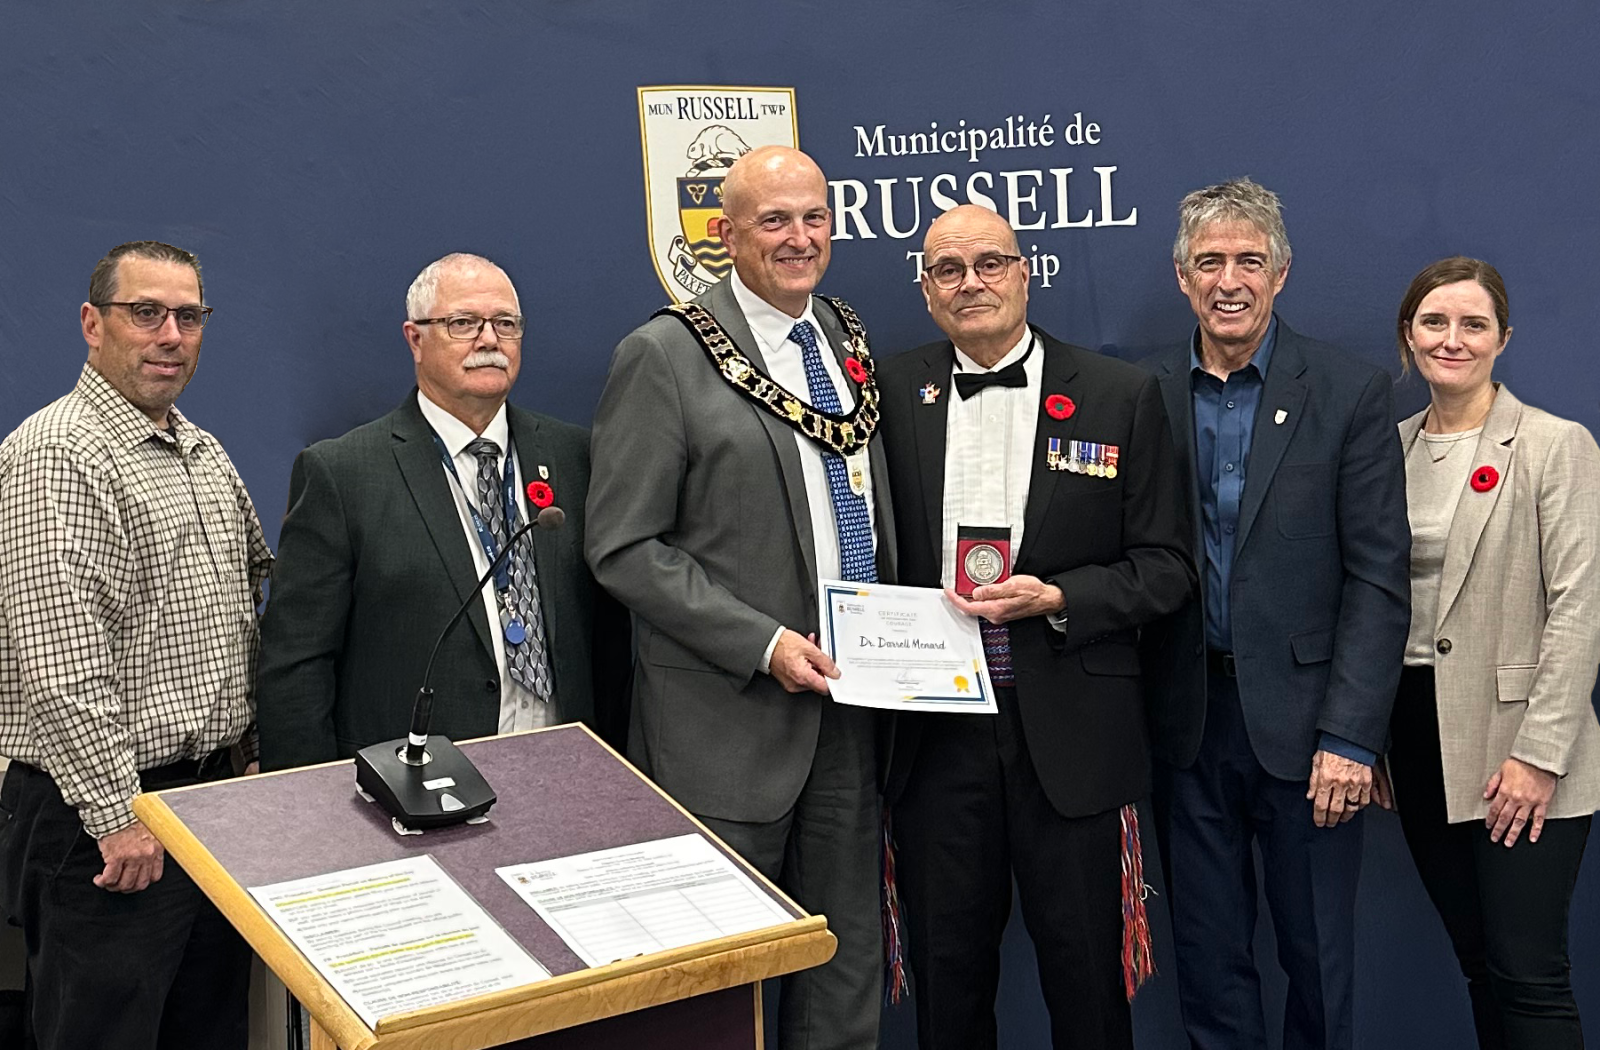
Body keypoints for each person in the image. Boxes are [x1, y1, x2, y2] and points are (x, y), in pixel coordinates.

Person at [586, 145, 894, 1050]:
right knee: (721, 987)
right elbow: (624, 547)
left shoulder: (844, 335)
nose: (799, 239)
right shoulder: (666, 354)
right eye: (774, 220)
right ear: (725, 235)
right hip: (724, 723)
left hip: (851, 706)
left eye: (814, 218)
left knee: (846, 970)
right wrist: (763, 643)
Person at [875, 205, 1194, 1049]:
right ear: (926, 289)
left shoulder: (1120, 395)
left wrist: (1059, 598)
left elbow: (1166, 567)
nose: (970, 282)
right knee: (947, 985)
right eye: (948, 269)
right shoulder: (886, 392)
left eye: (989, 263)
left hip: (1073, 735)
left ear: (1025, 272)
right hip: (934, 734)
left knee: (1090, 984)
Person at [1138, 178, 1411, 1050]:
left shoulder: (1348, 391)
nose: (1229, 280)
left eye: (1248, 261)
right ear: (1182, 276)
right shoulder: (1138, 392)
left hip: (1311, 736)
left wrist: (1353, 737)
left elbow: (1378, 576)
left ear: (1281, 273)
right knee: (1208, 963)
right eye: (1209, 261)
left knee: (1317, 963)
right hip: (1187, 729)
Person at [0, 240, 271, 1050]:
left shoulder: (202, 451)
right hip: (104, 824)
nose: (170, 334)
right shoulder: (57, 454)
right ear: (93, 323)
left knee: (206, 1031)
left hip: (204, 810)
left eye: (189, 316)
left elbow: (244, 607)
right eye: (145, 312)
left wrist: (249, 751)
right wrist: (117, 817)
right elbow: (62, 662)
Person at [256, 253, 627, 771]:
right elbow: (296, 664)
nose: (490, 341)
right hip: (410, 785)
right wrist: (310, 810)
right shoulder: (343, 473)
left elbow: (612, 639)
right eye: (463, 324)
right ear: (415, 338)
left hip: (565, 767)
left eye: (505, 324)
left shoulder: (575, 458)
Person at [1379, 256, 1600, 1049]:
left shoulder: (1553, 445)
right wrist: (1367, 734)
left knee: (1528, 974)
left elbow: (1581, 610)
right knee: (1478, 965)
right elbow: (1373, 602)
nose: (1453, 339)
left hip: (1523, 741)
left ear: (1503, 338)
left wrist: (1539, 756)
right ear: (1409, 336)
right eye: (1434, 322)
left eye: (1473, 324)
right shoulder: (1389, 451)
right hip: (1417, 735)